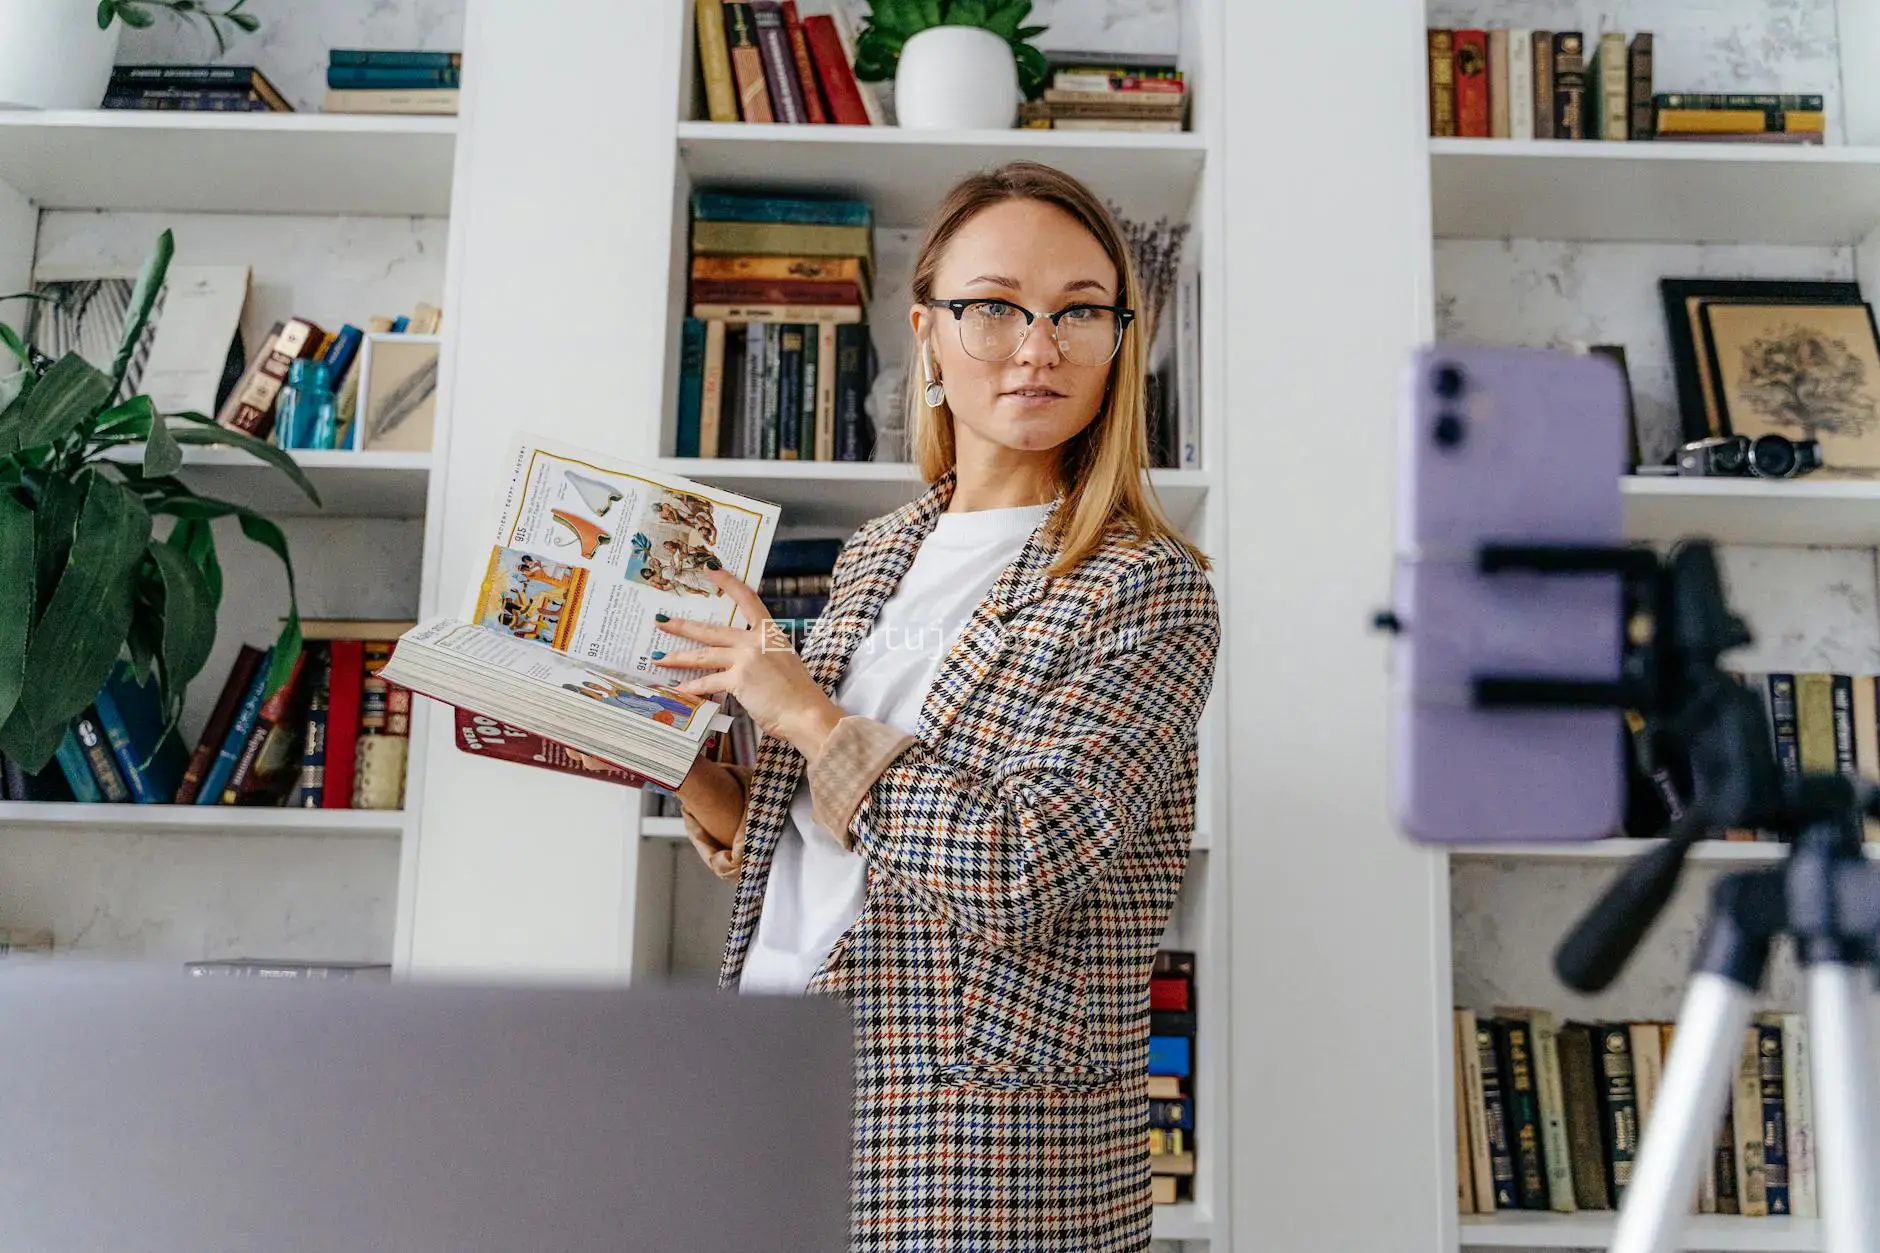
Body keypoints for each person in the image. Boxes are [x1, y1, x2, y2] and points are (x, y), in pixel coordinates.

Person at [656, 161, 1220, 1252]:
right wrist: (681, 755)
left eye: (1078, 312)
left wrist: (809, 716)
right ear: (925, 331)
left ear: (1118, 340)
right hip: (769, 1075)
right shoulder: (875, 555)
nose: (1037, 344)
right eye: (994, 305)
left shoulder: (1143, 584)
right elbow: (817, 844)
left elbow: (1017, 862)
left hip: (979, 1149)